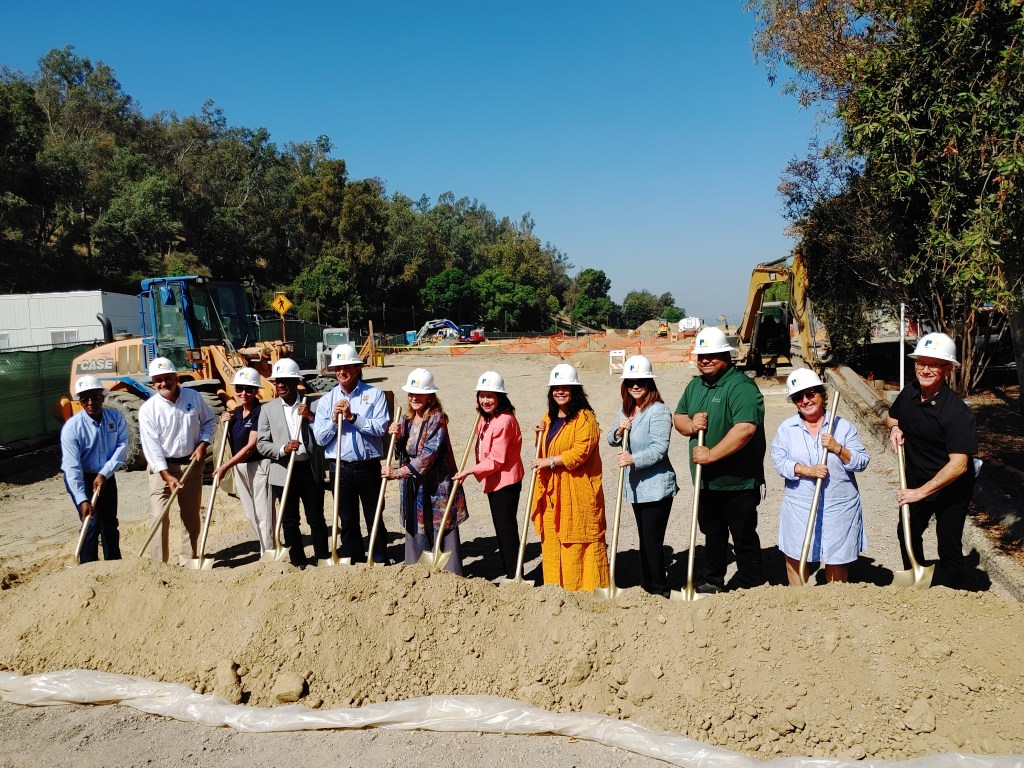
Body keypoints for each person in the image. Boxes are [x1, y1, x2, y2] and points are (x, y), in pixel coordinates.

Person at [673, 327, 766, 593]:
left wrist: (711, 454)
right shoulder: (695, 385)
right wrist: (691, 425)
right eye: (701, 355)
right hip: (706, 482)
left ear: (726, 355)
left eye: (712, 355)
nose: (705, 360)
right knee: (712, 534)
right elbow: (678, 417)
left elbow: (745, 428)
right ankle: (712, 580)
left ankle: (751, 584)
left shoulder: (740, 387)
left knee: (743, 535)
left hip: (737, 481)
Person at [886, 332, 977, 588]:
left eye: (934, 364)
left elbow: (959, 465)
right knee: (907, 531)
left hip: (951, 485)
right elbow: (892, 417)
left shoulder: (957, 412)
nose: (925, 370)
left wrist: (919, 493)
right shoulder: (910, 393)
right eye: (920, 363)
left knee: (948, 543)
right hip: (917, 477)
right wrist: (894, 428)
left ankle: (952, 591)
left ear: (947, 369)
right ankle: (916, 580)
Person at [772, 368, 869, 585]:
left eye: (810, 394)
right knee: (796, 556)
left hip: (839, 504)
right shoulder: (787, 429)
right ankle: (801, 608)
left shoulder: (843, 427)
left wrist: (837, 448)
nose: (805, 401)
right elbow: (779, 461)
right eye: (798, 397)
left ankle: (835, 610)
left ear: (822, 395)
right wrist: (806, 470)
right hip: (800, 505)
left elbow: (862, 462)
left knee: (837, 559)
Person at [529, 363, 609, 592]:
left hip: (578, 492)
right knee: (553, 542)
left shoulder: (585, 419)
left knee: (579, 541)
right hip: (553, 494)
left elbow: (580, 452)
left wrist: (551, 461)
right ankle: (557, 589)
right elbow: (543, 449)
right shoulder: (548, 417)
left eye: (565, 387)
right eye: (556, 388)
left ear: (575, 391)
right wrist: (538, 434)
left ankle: (585, 590)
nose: (560, 391)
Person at [383, 368, 468, 574]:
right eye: (411, 393)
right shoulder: (406, 419)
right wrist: (397, 436)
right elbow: (401, 453)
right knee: (417, 528)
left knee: (442, 529)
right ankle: (418, 574)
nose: (414, 397)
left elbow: (427, 457)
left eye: (419, 393)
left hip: (437, 488)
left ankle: (450, 576)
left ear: (430, 395)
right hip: (414, 487)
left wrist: (397, 473)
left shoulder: (437, 420)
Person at [312, 343, 391, 564]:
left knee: (374, 516)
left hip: (368, 467)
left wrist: (351, 417)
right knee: (347, 520)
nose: (342, 372)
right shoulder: (326, 401)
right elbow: (320, 438)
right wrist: (333, 421)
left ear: (357, 368)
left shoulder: (374, 395)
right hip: (340, 468)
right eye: (338, 368)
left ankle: (379, 559)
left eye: (347, 367)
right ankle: (355, 560)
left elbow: (380, 428)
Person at [606, 355, 677, 596]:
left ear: (650, 384)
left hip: (657, 487)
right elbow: (611, 439)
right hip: (637, 488)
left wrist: (633, 459)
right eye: (630, 382)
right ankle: (647, 586)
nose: (635, 386)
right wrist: (619, 430)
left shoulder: (659, 411)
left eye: (641, 381)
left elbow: (660, 449)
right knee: (644, 540)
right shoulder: (626, 410)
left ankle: (658, 589)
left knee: (651, 541)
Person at [138, 357, 216, 564]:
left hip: (191, 465)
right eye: (158, 380)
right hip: (161, 469)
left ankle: (188, 559)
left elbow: (209, 421)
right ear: (153, 383)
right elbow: (152, 448)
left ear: (176, 378)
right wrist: (167, 476)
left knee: (190, 516)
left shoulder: (194, 397)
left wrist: (203, 444)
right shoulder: (148, 410)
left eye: (167, 378)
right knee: (159, 516)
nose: (163, 383)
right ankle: (159, 564)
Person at [257, 358, 329, 568]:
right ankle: (298, 560)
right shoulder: (268, 410)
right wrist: (282, 449)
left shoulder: (313, 404)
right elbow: (262, 444)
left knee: (316, 518)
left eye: (285, 381)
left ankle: (322, 558)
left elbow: (327, 434)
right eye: (277, 381)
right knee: (289, 520)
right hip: (282, 471)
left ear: (296, 382)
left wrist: (311, 418)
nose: (280, 385)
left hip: (309, 469)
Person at [454, 371, 525, 580]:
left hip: (505, 482)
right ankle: (509, 568)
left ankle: (515, 574)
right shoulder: (485, 418)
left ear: (500, 397)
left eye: (490, 396)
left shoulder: (504, 421)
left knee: (506, 530)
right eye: (481, 395)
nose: (485, 400)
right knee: (501, 527)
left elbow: (496, 459)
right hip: (494, 480)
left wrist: (470, 471)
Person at [60, 375, 129, 562]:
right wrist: (82, 499)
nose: (91, 402)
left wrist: (104, 474)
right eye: (85, 399)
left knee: (109, 523)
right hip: (81, 477)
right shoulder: (72, 429)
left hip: (105, 475)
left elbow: (122, 447)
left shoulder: (116, 418)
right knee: (90, 522)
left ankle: (114, 563)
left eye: (95, 397)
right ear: (80, 402)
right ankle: (88, 567)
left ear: (102, 397)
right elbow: (72, 467)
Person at [214, 367, 273, 551]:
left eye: (249, 389)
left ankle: (269, 550)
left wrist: (225, 467)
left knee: (264, 512)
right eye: (239, 388)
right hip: (239, 468)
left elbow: (250, 447)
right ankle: (265, 546)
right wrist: (225, 422)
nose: (243, 393)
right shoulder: (236, 413)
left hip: (259, 466)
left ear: (256, 391)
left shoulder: (260, 413)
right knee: (250, 513)